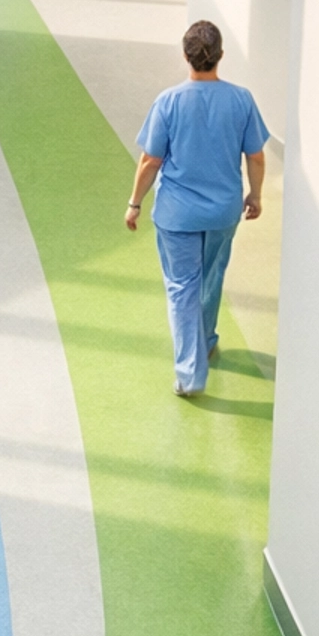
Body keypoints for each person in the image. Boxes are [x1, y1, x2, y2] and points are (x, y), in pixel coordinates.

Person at [125, 20, 267, 398]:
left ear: (185, 56)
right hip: (223, 212)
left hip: (177, 215)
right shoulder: (241, 100)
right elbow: (256, 156)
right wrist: (255, 195)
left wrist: (134, 203)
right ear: (220, 55)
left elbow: (150, 161)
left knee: (181, 288)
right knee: (211, 276)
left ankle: (189, 374)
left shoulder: (168, 101)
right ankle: (205, 340)